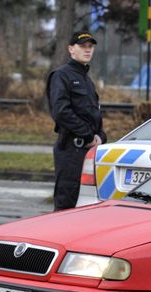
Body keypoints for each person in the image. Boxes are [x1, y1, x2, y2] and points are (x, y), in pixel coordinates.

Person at [47, 31, 107, 211]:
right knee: (66, 205)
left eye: (90, 46)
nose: (88, 50)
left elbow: (93, 114)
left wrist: (101, 136)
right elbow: (61, 112)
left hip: (89, 151)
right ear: (71, 49)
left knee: (86, 207)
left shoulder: (86, 80)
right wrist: (88, 135)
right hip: (71, 151)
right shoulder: (61, 75)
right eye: (83, 46)